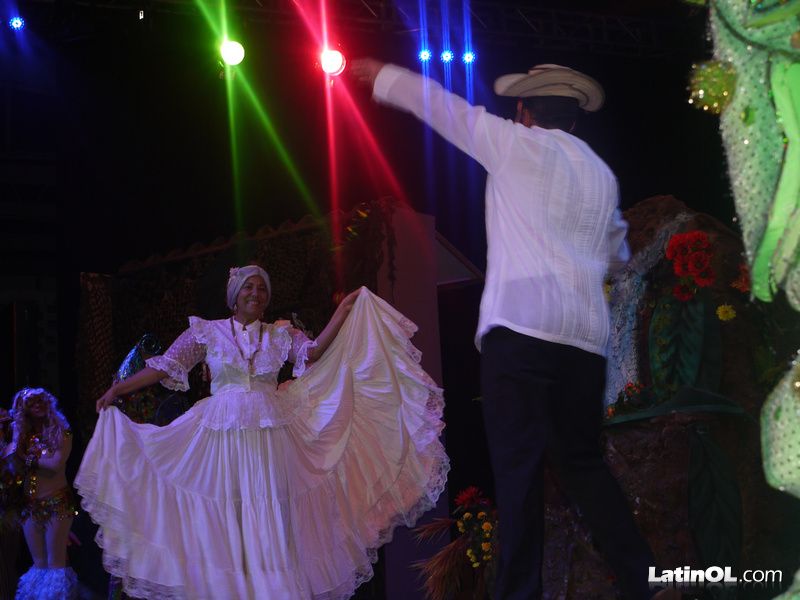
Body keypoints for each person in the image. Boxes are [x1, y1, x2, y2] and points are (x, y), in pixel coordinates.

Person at [349, 60, 678, 600]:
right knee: (583, 465)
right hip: (582, 343)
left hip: (521, 331)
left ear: (524, 111)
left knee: (519, 471)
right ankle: (647, 579)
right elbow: (617, 253)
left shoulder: (511, 144)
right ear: (572, 119)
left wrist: (382, 74)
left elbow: (440, 107)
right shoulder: (600, 173)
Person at [75, 265, 448, 599]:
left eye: (262, 288)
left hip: (271, 437)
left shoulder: (280, 334)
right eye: (249, 287)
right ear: (234, 295)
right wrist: (117, 389)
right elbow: (163, 367)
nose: (256, 293)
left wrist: (344, 310)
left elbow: (314, 352)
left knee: (272, 516)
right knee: (227, 516)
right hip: (221, 436)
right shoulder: (207, 332)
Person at [4, 388, 78, 600]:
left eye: (41, 401)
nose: (37, 406)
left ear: (49, 403)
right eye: (31, 403)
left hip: (57, 503)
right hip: (30, 506)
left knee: (56, 564)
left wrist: (28, 459)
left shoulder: (62, 431)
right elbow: (12, 464)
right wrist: (17, 433)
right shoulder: (22, 435)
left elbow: (55, 465)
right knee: (39, 563)